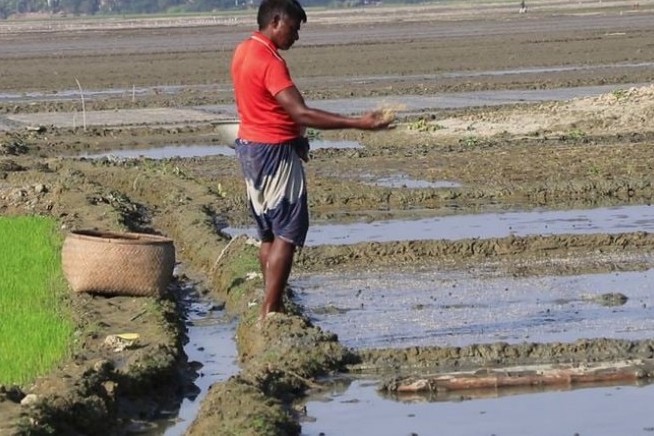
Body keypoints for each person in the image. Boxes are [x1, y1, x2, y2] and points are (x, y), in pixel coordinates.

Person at [231, 0, 391, 321]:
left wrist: (297, 137)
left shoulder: (243, 50)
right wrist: (359, 123)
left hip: (251, 148)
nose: (297, 36)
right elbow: (300, 112)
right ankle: (272, 308)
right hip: (273, 152)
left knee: (268, 233)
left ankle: (271, 299)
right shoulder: (269, 60)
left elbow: (270, 109)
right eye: (295, 28)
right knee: (287, 233)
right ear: (276, 21)